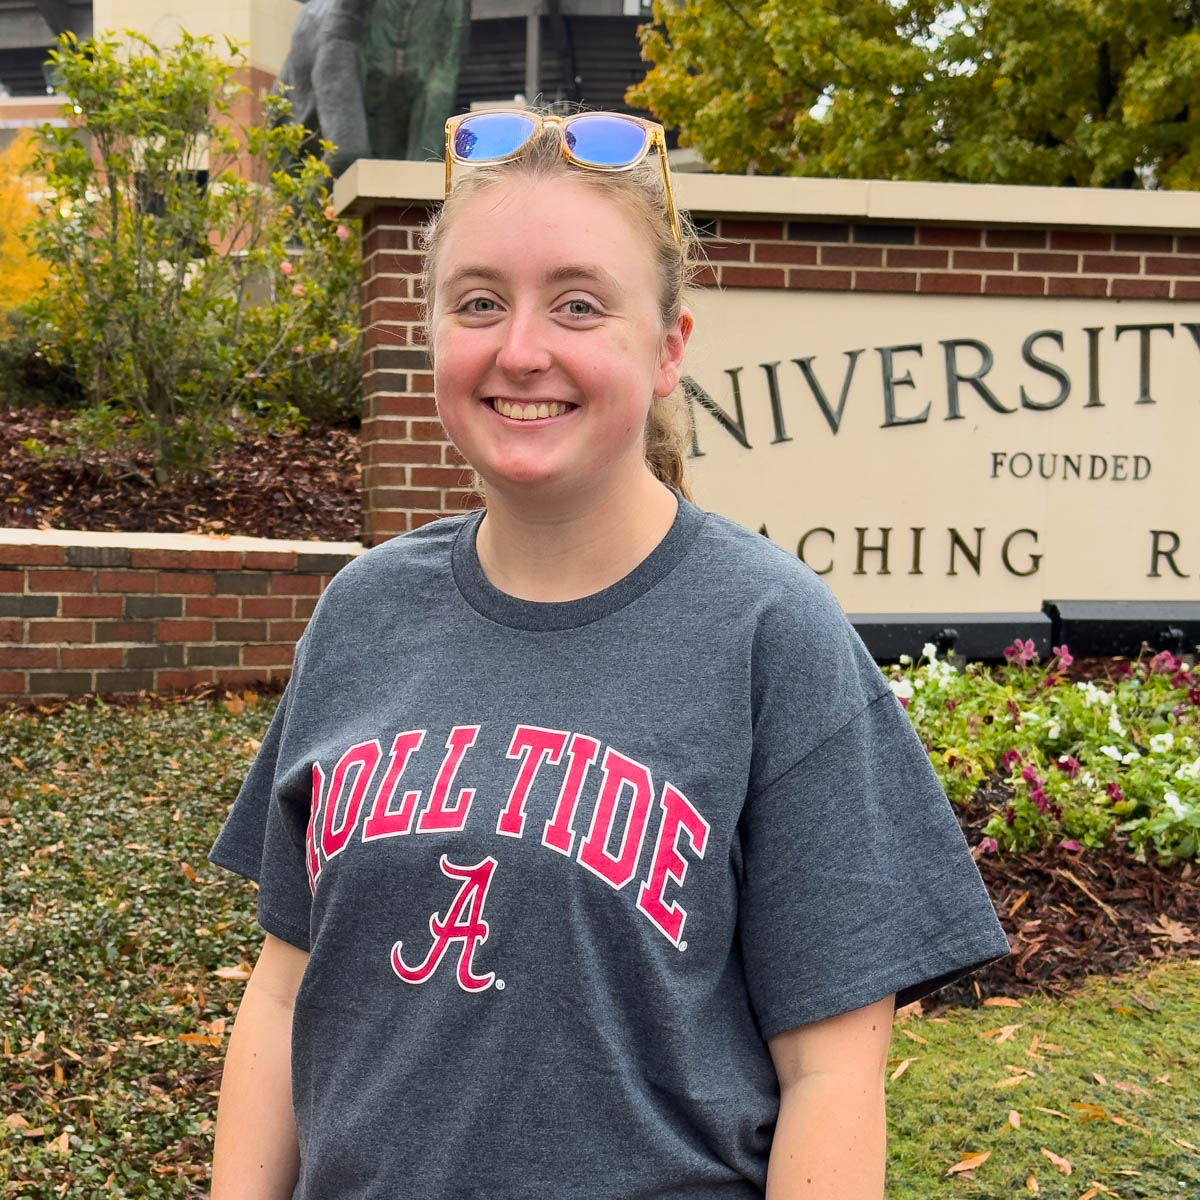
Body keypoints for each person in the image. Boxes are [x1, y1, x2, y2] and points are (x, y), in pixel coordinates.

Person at [209, 107, 1011, 1199]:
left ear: (669, 347)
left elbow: (831, 1071)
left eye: (579, 304)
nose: (522, 348)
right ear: (434, 331)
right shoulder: (362, 615)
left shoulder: (772, 634)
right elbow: (287, 993)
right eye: (479, 302)